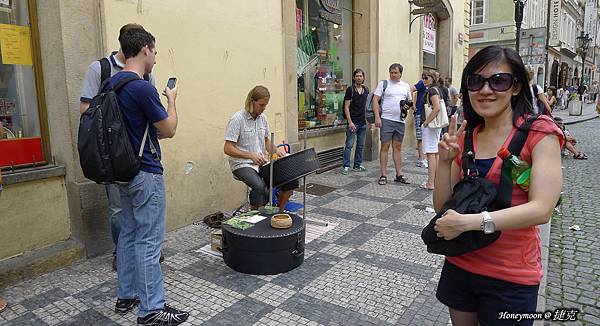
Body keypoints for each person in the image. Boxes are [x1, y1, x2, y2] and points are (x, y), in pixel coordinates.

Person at [433, 45, 564, 326]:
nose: (485, 89)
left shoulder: (540, 132)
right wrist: (444, 164)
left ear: (516, 86)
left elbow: (542, 209)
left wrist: (470, 223)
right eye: (475, 81)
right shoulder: (469, 135)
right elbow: (444, 209)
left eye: (499, 80)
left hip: (512, 276)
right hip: (461, 265)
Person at [111, 28, 188, 324]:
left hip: (122, 173)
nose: (156, 58)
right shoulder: (141, 88)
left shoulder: (112, 84)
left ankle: (126, 294)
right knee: (148, 241)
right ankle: (151, 308)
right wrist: (171, 100)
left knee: (129, 235)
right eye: (155, 52)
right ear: (145, 49)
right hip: (145, 173)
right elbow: (168, 129)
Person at [79, 23, 163, 272]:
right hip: (114, 157)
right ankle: (127, 257)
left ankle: (132, 272)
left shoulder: (146, 75)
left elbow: (150, 112)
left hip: (139, 155)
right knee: (121, 215)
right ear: (140, 47)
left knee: (139, 222)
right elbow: (87, 111)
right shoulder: (101, 69)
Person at [224, 86, 298, 212]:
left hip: (261, 163)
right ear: (251, 101)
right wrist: (250, 155)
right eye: (261, 105)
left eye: (266, 105)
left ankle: (278, 213)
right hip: (241, 164)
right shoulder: (237, 119)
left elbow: (266, 141)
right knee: (260, 187)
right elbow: (228, 148)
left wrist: (277, 150)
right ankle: (255, 219)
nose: (264, 108)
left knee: (290, 180)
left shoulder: (263, 119)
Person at [372, 63, 412, 185]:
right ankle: (383, 175)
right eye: (391, 72)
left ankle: (399, 174)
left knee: (397, 147)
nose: (393, 75)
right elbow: (375, 100)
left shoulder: (405, 86)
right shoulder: (384, 84)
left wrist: (407, 106)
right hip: (386, 119)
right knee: (385, 146)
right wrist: (377, 117)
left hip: (400, 121)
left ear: (400, 73)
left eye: (395, 72)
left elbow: (409, 103)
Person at [341, 68, 369, 174]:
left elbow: (367, 107)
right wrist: (350, 122)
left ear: (363, 78)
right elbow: (346, 107)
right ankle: (346, 165)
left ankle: (357, 164)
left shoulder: (366, 90)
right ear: (354, 78)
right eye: (357, 76)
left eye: (361, 76)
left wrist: (369, 121)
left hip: (362, 122)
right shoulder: (350, 90)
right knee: (349, 145)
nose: (359, 78)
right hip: (353, 123)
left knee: (360, 145)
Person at [419, 70, 443, 190]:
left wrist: (426, 122)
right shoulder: (436, 89)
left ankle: (431, 183)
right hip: (435, 125)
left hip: (431, 125)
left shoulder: (432, 90)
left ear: (433, 78)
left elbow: (437, 108)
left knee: (431, 153)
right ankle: (435, 181)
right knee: (435, 153)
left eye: (426, 77)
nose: (424, 79)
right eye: (423, 77)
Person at [411, 74, 428, 168]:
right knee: (420, 136)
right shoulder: (421, 83)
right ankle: (421, 159)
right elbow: (412, 89)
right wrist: (412, 104)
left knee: (424, 136)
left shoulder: (428, 86)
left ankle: (423, 158)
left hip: (425, 113)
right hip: (419, 113)